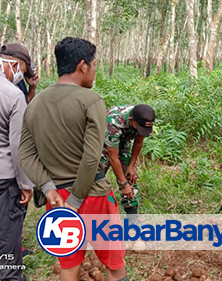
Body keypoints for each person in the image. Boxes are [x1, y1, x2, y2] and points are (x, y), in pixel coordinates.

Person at [18, 37, 128, 281]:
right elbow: (91, 158)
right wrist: (77, 199)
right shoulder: (92, 101)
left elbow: (25, 153)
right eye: (94, 64)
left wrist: (47, 188)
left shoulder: (35, 105)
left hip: (57, 200)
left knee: (69, 265)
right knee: (114, 264)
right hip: (94, 196)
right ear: (82, 65)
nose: (95, 70)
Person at [0, 43, 35, 281]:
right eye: (22, 69)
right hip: (5, 181)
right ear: (12, 64)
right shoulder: (12, 95)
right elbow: (17, 144)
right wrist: (26, 184)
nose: (21, 75)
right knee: (7, 239)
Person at [100, 104, 155, 219]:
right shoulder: (113, 122)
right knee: (96, 177)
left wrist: (131, 166)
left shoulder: (143, 118)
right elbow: (113, 157)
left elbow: (138, 142)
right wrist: (123, 184)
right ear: (131, 120)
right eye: (140, 128)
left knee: (130, 178)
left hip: (124, 142)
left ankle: (133, 219)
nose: (142, 131)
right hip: (104, 144)